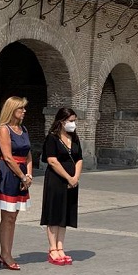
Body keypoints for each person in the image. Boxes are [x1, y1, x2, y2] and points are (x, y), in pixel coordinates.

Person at [0, 96, 32, 271]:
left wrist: (29, 174)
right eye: (20, 108)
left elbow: (28, 154)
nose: (24, 111)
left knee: (14, 217)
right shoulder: (3, 129)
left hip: (22, 171)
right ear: (12, 109)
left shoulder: (23, 129)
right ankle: (5, 253)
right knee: (7, 216)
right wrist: (22, 176)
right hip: (10, 173)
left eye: (24, 108)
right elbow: (7, 156)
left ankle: (7, 252)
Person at [40, 108, 83, 266]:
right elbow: (52, 161)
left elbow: (79, 158)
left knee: (65, 213)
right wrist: (68, 177)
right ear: (62, 121)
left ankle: (60, 246)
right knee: (54, 213)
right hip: (56, 180)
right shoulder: (52, 138)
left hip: (72, 182)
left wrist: (75, 177)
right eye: (70, 120)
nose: (73, 124)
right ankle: (52, 248)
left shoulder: (74, 137)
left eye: (74, 121)